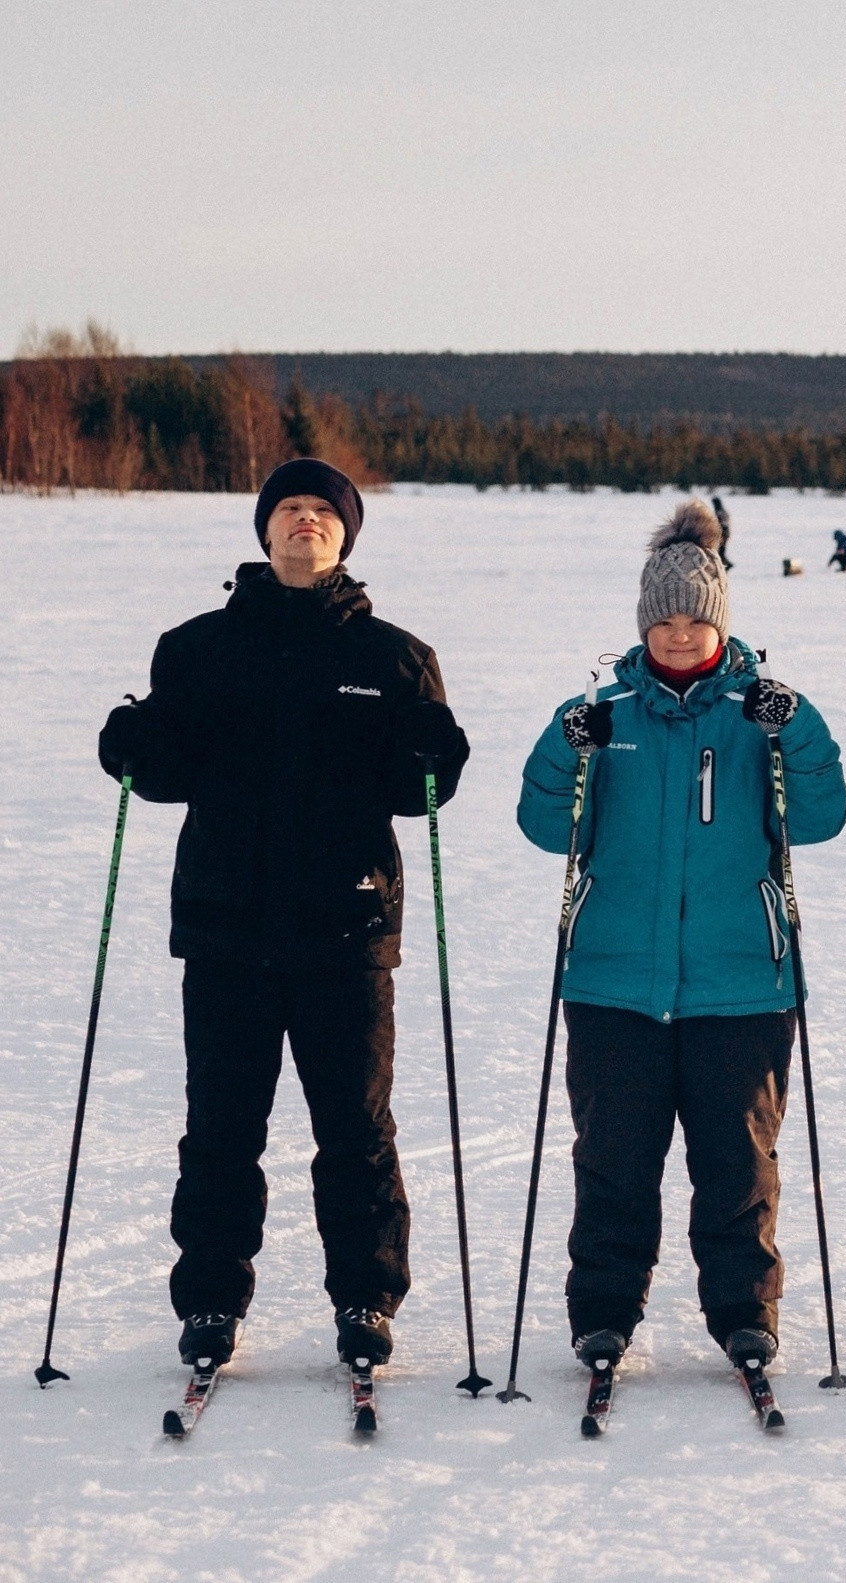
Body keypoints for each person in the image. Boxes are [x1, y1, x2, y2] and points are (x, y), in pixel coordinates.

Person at [95, 457, 470, 1372]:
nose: (306, 522)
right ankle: (212, 1303)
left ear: (345, 537)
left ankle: (366, 1299)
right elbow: (169, 772)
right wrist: (131, 748)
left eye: (323, 513)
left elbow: (415, 791)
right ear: (264, 532)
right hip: (227, 927)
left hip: (347, 931)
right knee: (221, 1126)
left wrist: (436, 754)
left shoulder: (394, 657)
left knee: (356, 1128)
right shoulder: (197, 649)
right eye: (290, 509)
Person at [517, 502, 846, 1375]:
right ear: (641, 621)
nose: (676, 633)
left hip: (742, 981)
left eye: (694, 618)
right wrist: (565, 749)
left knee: (737, 1164)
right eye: (662, 619)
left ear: (720, 621)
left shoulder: (760, 712)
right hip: (613, 981)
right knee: (614, 1160)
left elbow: (820, 817)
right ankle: (603, 1309)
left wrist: (797, 729)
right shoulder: (601, 710)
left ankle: (745, 1309)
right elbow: (548, 828)